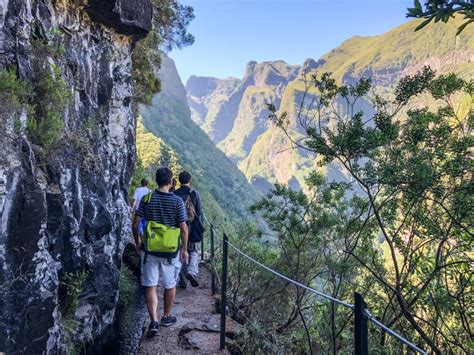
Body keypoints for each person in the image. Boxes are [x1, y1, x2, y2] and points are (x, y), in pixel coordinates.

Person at [132, 167, 189, 337]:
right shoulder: (177, 201)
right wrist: (184, 249)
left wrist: (138, 243)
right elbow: (184, 228)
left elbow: (135, 224)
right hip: (170, 252)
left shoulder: (147, 199)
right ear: (171, 181)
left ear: (156, 181)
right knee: (170, 284)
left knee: (151, 285)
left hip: (149, 250)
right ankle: (166, 316)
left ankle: (154, 322)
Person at [173, 171, 204, 288]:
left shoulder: (174, 193)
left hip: (177, 227)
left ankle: (183, 281)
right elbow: (199, 211)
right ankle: (192, 272)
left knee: (181, 252)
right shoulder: (194, 193)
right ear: (189, 180)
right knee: (193, 251)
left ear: (179, 180)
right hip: (191, 226)